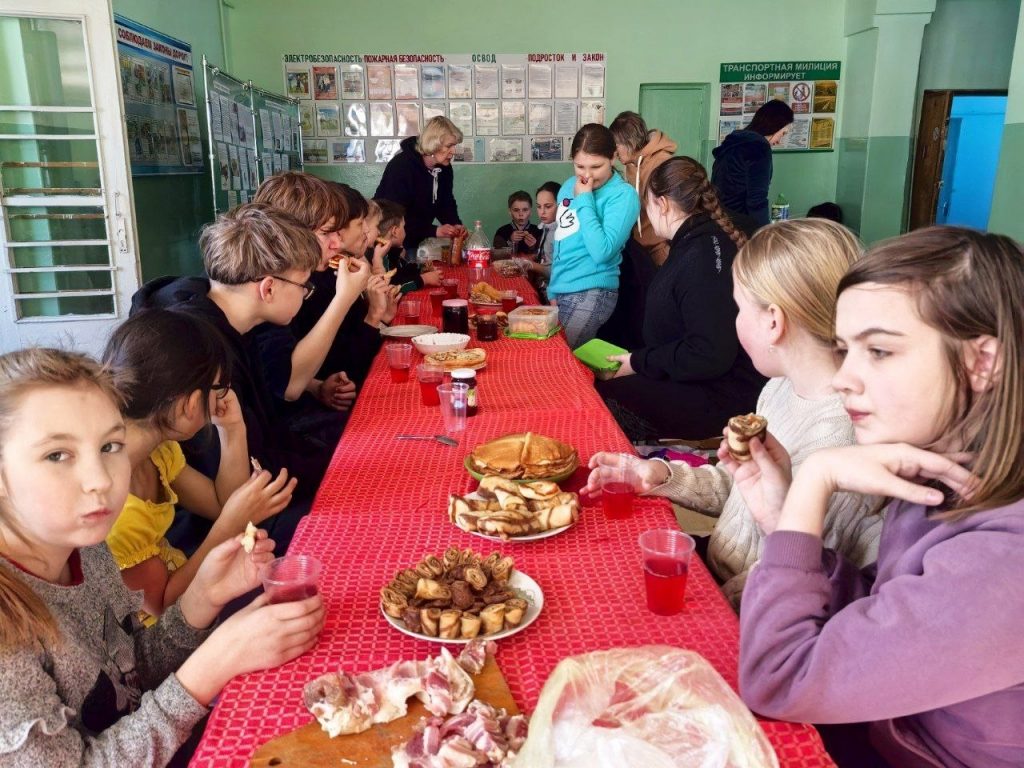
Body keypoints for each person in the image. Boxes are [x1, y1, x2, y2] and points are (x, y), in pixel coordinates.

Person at [724, 227, 1024, 768]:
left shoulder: (1006, 556)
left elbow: (778, 680)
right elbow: (883, 616)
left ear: (983, 362)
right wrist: (782, 519)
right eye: (845, 350)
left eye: (880, 351)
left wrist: (815, 479)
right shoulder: (936, 469)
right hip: (874, 729)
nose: (844, 378)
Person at [0, 348, 324, 766]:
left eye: (110, 445)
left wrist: (199, 601)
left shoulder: (87, 549)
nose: (100, 480)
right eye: (57, 455)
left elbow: (127, 673)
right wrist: (210, 668)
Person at [584, 219, 881, 607]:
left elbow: (798, 577)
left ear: (773, 322)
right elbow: (746, 488)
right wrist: (663, 475)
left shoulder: (841, 440)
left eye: (738, 309)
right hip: (721, 564)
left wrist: (707, 606)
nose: (733, 322)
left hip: (749, 600)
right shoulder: (779, 389)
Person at [131, 203, 366, 501]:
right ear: (268, 289)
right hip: (218, 507)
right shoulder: (201, 351)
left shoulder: (230, 320)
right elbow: (231, 472)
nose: (305, 294)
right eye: (303, 286)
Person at [103, 309, 296, 624]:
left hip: (190, 583)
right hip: (167, 627)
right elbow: (160, 608)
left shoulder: (157, 452)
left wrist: (232, 430)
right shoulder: (117, 509)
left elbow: (220, 504)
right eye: (218, 388)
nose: (222, 397)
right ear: (190, 404)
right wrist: (230, 526)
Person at [595, 156, 764, 441]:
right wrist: (640, 360)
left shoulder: (701, 256)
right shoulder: (700, 241)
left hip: (721, 395)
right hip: (702, 377)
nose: (647, 215)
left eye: (647, 206)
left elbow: (708, 354)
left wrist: (638, 362)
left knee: (602, 400)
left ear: (662, 204)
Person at [294, 183, 400, 388]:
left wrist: (381, 317)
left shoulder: (339, 270)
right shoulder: (318, 283)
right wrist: (374, 316)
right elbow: (346, 368)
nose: (367, 231)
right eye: (361, 223)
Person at [549, 123, 641, 349]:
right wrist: (553, 287)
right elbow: (562, 241)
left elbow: (602, 252)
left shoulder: (623, 195)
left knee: (563, 360)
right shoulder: (568, 186)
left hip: (592, 291)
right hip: (561, 288)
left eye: (596, 166)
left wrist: (584, 199)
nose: (587, 175)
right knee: (559, 358)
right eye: (579, 166)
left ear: (613, 157)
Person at [374, 116, 468, 251]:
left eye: (454, 145)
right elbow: (393, 217)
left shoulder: (444, 168)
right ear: (433, 144)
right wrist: (435, 231)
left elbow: (445, 203)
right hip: (390, 239)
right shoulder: (401, 166)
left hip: (417, 237)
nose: (453, 151)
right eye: (449, 146)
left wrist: (455, 225)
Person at [711, 100, 794, 236]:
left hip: (719, 219)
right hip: (741, 226)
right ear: (775, 126)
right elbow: (757, 200)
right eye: (783, 133)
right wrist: (764, 234)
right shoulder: (759, 148)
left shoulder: (734, 142)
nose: (780, 140)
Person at [609, 110, 677, 266]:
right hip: (640, 245)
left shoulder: (662, 162)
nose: (614, 151)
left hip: (661, 247)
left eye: (616, 145)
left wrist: (665, 248)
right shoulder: (631, 165)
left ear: (630, 141)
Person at [374, 198, 442, 293]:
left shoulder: (393, 250)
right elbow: (392, 288)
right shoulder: (383, 256)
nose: (405, 231)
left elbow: (404, 273)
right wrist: (424, 279)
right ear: (395, 232)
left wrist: (421, 269)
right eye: (403, 227)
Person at [492, 190, 542, 257]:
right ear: (510, 212)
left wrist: (533, 247)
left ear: (530, 211)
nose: (521, 214)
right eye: (516, 210)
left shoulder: (539, 231)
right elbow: (496, 256)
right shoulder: (501, 232)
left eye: (525, 210)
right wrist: (510, 242)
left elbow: (546, 257)